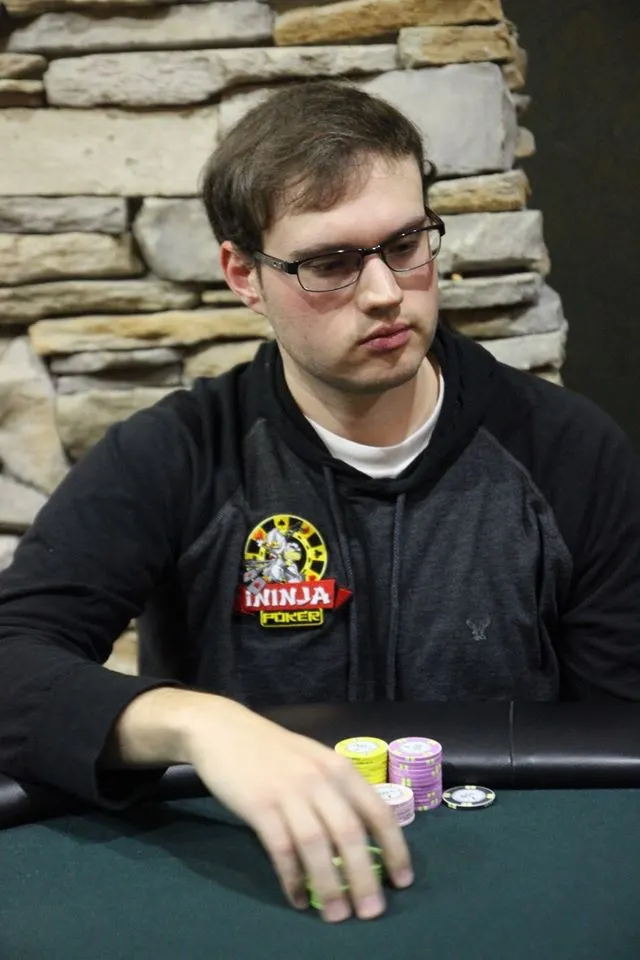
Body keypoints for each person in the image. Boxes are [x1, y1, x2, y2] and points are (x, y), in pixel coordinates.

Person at [1, 80, 639, 924]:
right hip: (258, 884)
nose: (384, 292)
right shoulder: (176, 453)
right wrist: (201, 726)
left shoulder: (569, 450)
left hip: (515, 881)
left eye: (405, 243)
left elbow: (621, 740)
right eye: (330, 263)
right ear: (244, 275)